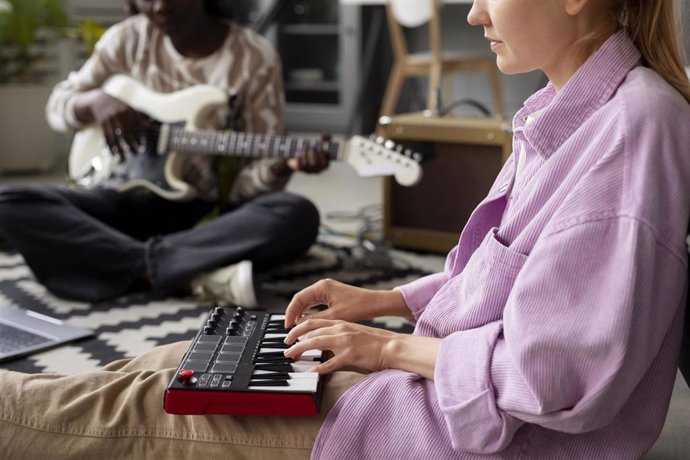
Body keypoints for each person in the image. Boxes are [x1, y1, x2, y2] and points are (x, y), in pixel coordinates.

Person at [1, 0, 690, 458]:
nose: (474, 11)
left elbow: (552, 378)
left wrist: (384, 350)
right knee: (183, 357)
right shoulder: (568, 112)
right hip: (439, 390)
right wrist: (386, 302)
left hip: (459, 433)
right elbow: (507, 282)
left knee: (149, 406)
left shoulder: (631, 132)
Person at [0, 0, 329, 306]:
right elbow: (57, 108)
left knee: (296, 213)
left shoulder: (253, 57)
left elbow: (245, 188)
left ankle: (123, 262)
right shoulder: (126, 39)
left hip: (202, 220)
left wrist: (280, 167)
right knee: (10, 202)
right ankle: (181, 272)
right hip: (117, 202)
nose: (159, 5)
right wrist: (96, 101)